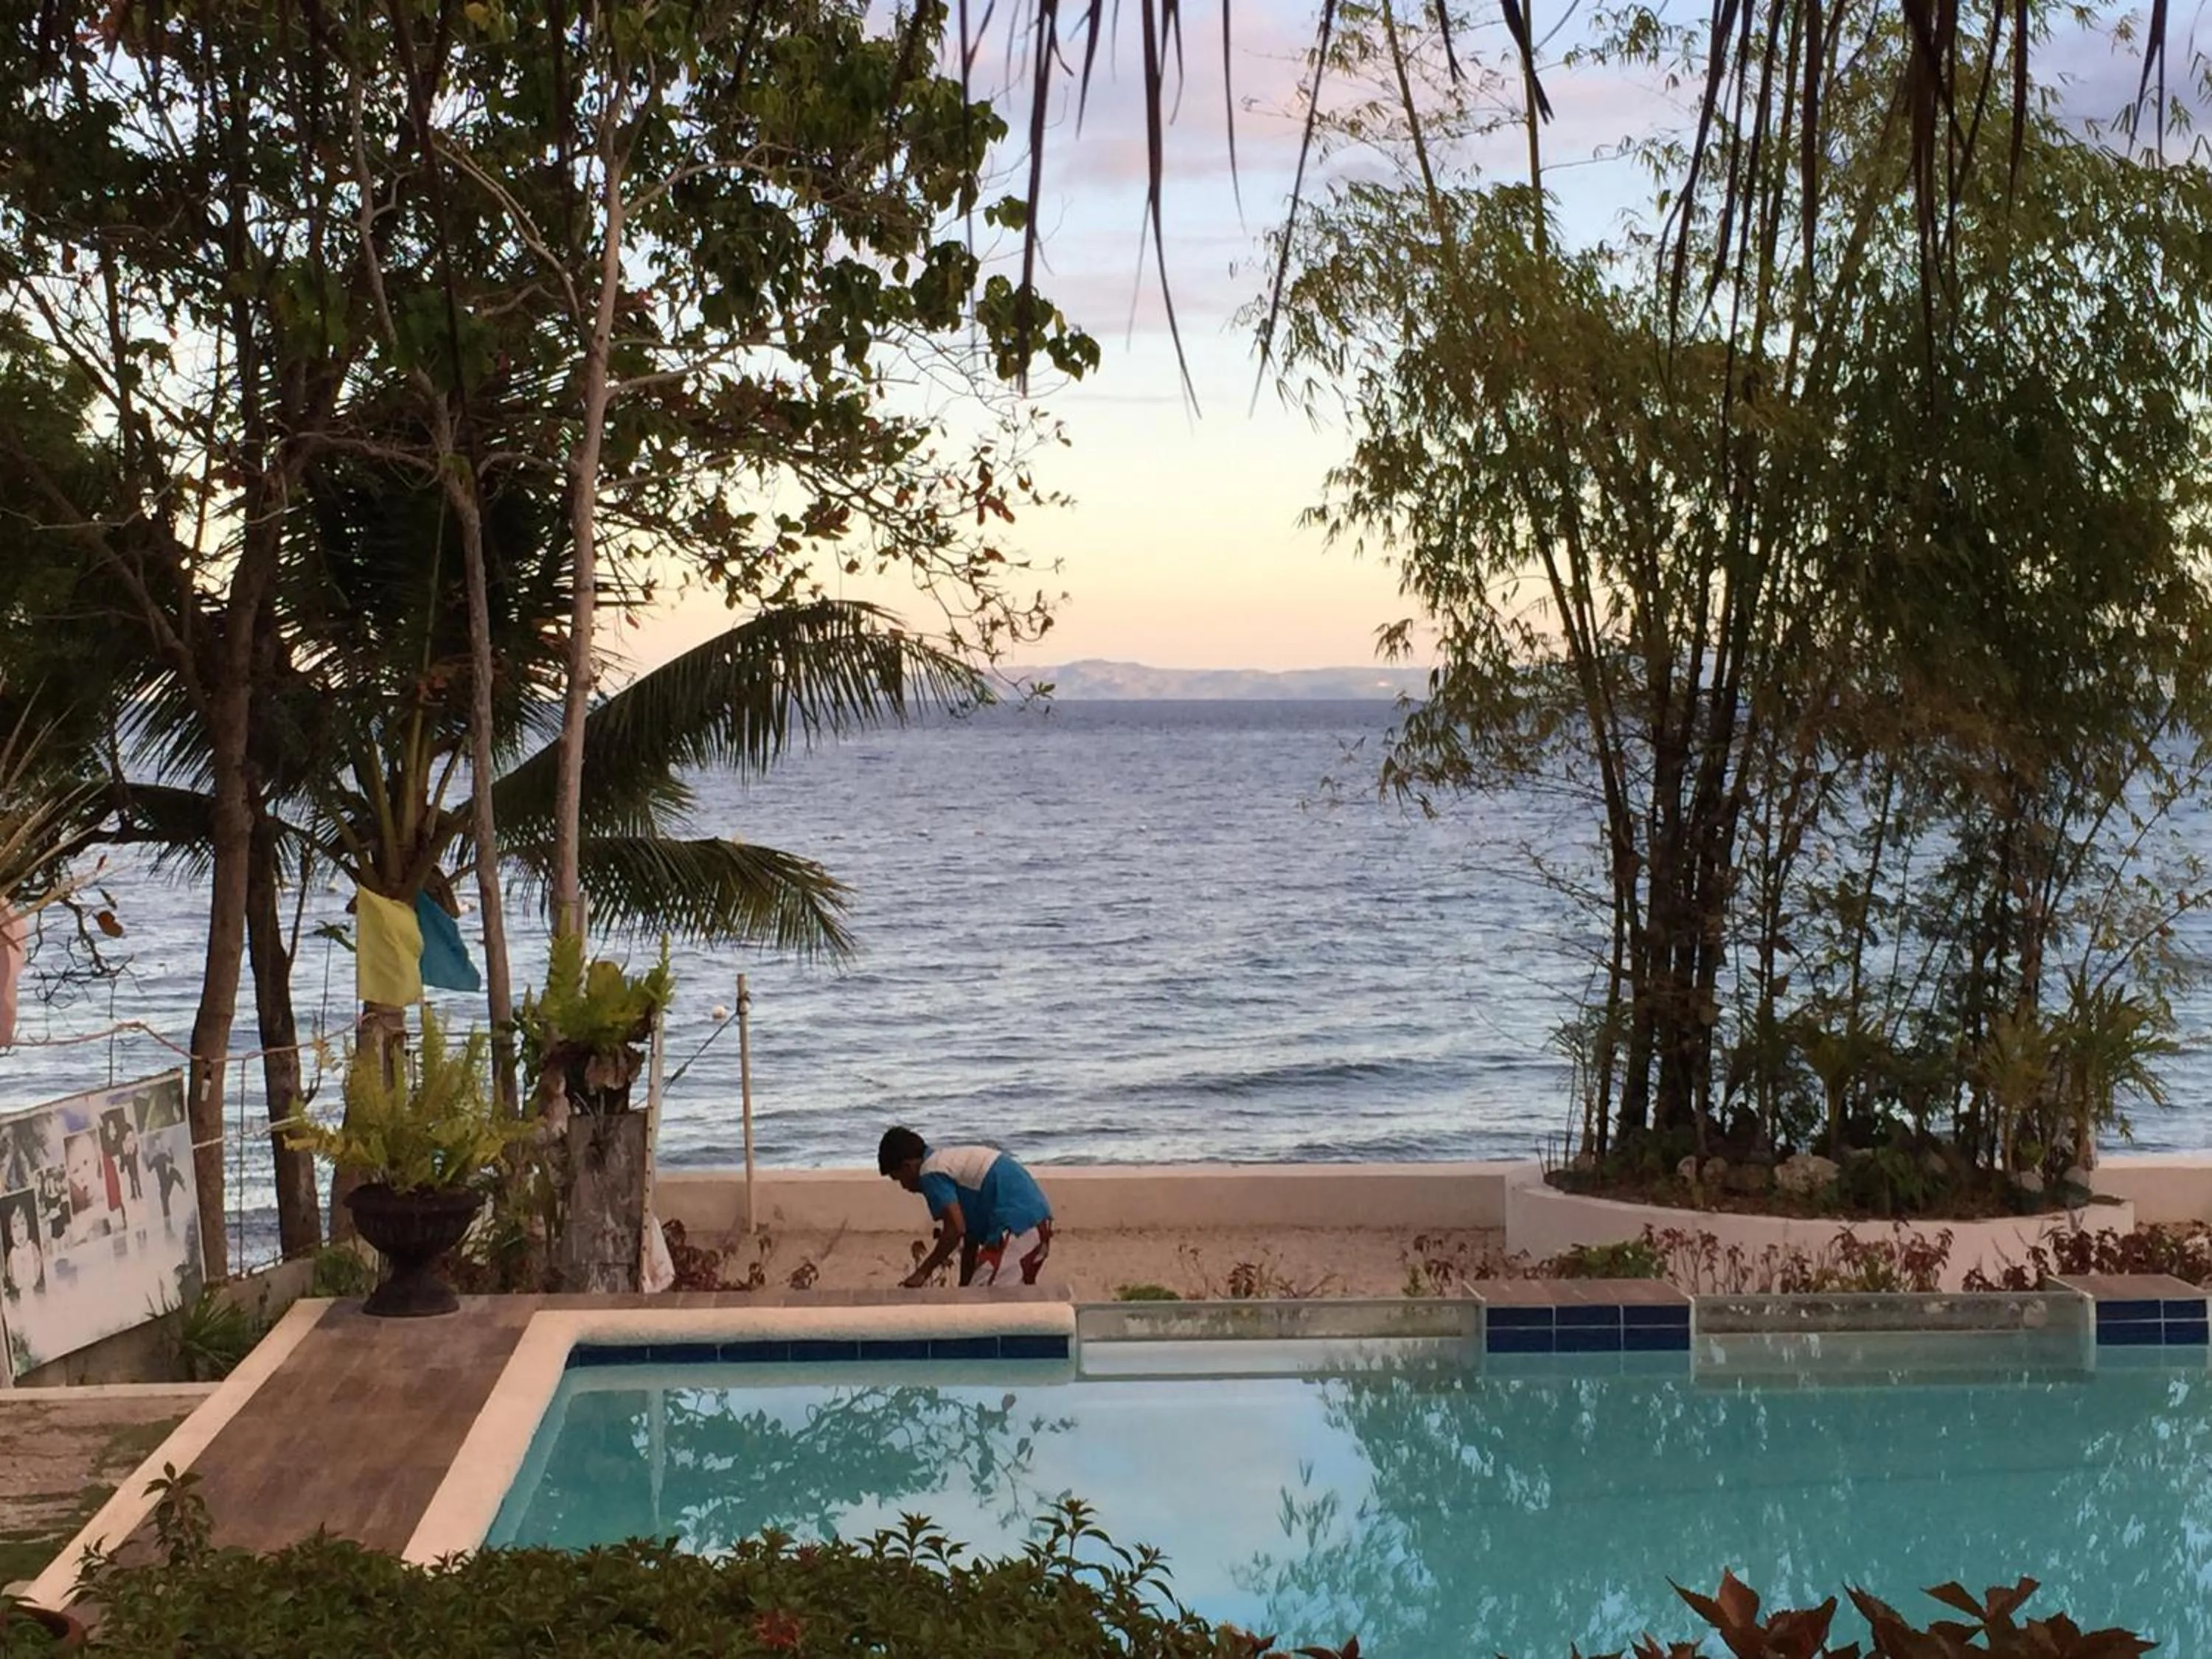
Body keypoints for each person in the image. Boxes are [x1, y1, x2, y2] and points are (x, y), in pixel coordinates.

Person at [877, 1127, 1052, 1288]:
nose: (904, 1187)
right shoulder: (949, 1165)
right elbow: (970, 1242)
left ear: (907, 1166)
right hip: (1036, 1221)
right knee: (1007, 1299)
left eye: (899, 1178)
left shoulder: (930, 1172)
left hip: (1016, 1226)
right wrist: (964, 1289)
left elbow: (955, 1229)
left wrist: (923, 1272)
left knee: (985, 1299)